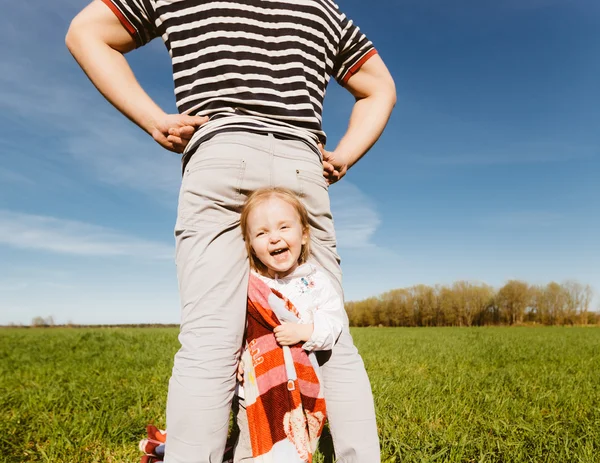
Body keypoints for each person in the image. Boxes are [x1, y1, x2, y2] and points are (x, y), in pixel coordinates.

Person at [65, 1, 396, 462]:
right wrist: (342, 154)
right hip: (301, 166)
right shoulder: (321, 6)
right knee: (328, 332)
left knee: (209, 340)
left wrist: (154, 119)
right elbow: (380, 87)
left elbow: (85, 33)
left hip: (220, 149)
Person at [233, 187, 346, 462]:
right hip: (254, 389)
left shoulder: (316, 281)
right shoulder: (250, 283)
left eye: (284, 227)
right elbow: (241, 327)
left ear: (304, 234)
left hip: (301, 384)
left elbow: (333, 322)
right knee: (250, 446)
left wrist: (303, 332)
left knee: (297, 445)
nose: (274, 238)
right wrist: (237, 356)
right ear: (250, 245)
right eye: (261, 233)